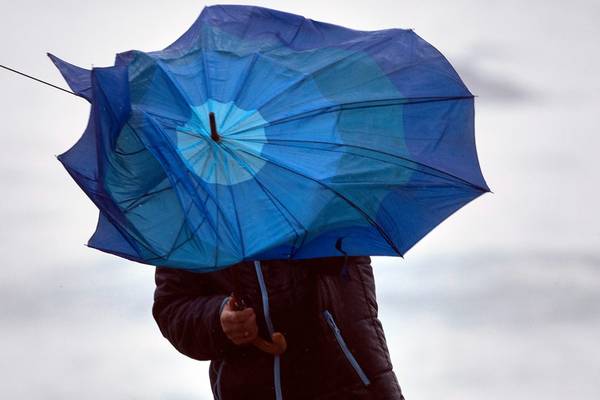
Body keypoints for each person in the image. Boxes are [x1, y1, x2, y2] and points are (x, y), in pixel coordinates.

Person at [153, 255, 405, 399]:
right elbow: (172, 306)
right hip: (249, 388)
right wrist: (219, 319)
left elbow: (349, 259)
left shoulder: (316, 175)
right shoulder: (192, 206)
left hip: (352, 376)